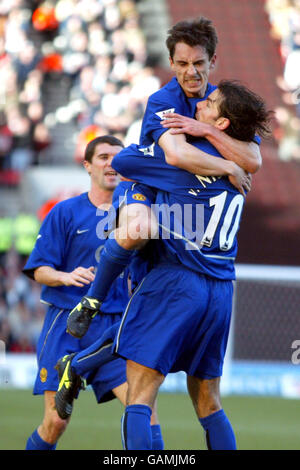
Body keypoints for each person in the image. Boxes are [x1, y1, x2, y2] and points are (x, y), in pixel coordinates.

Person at [22, 135, 163, 450]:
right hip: (66, 323)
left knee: (144, 409)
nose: (111, 163)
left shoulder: (140, 214)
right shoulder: (64, 211)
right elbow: (40, 268)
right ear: (87, 165)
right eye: (103, 157)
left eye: (117, 157)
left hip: (114, 326)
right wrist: (65, 276)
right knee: (55, 422)